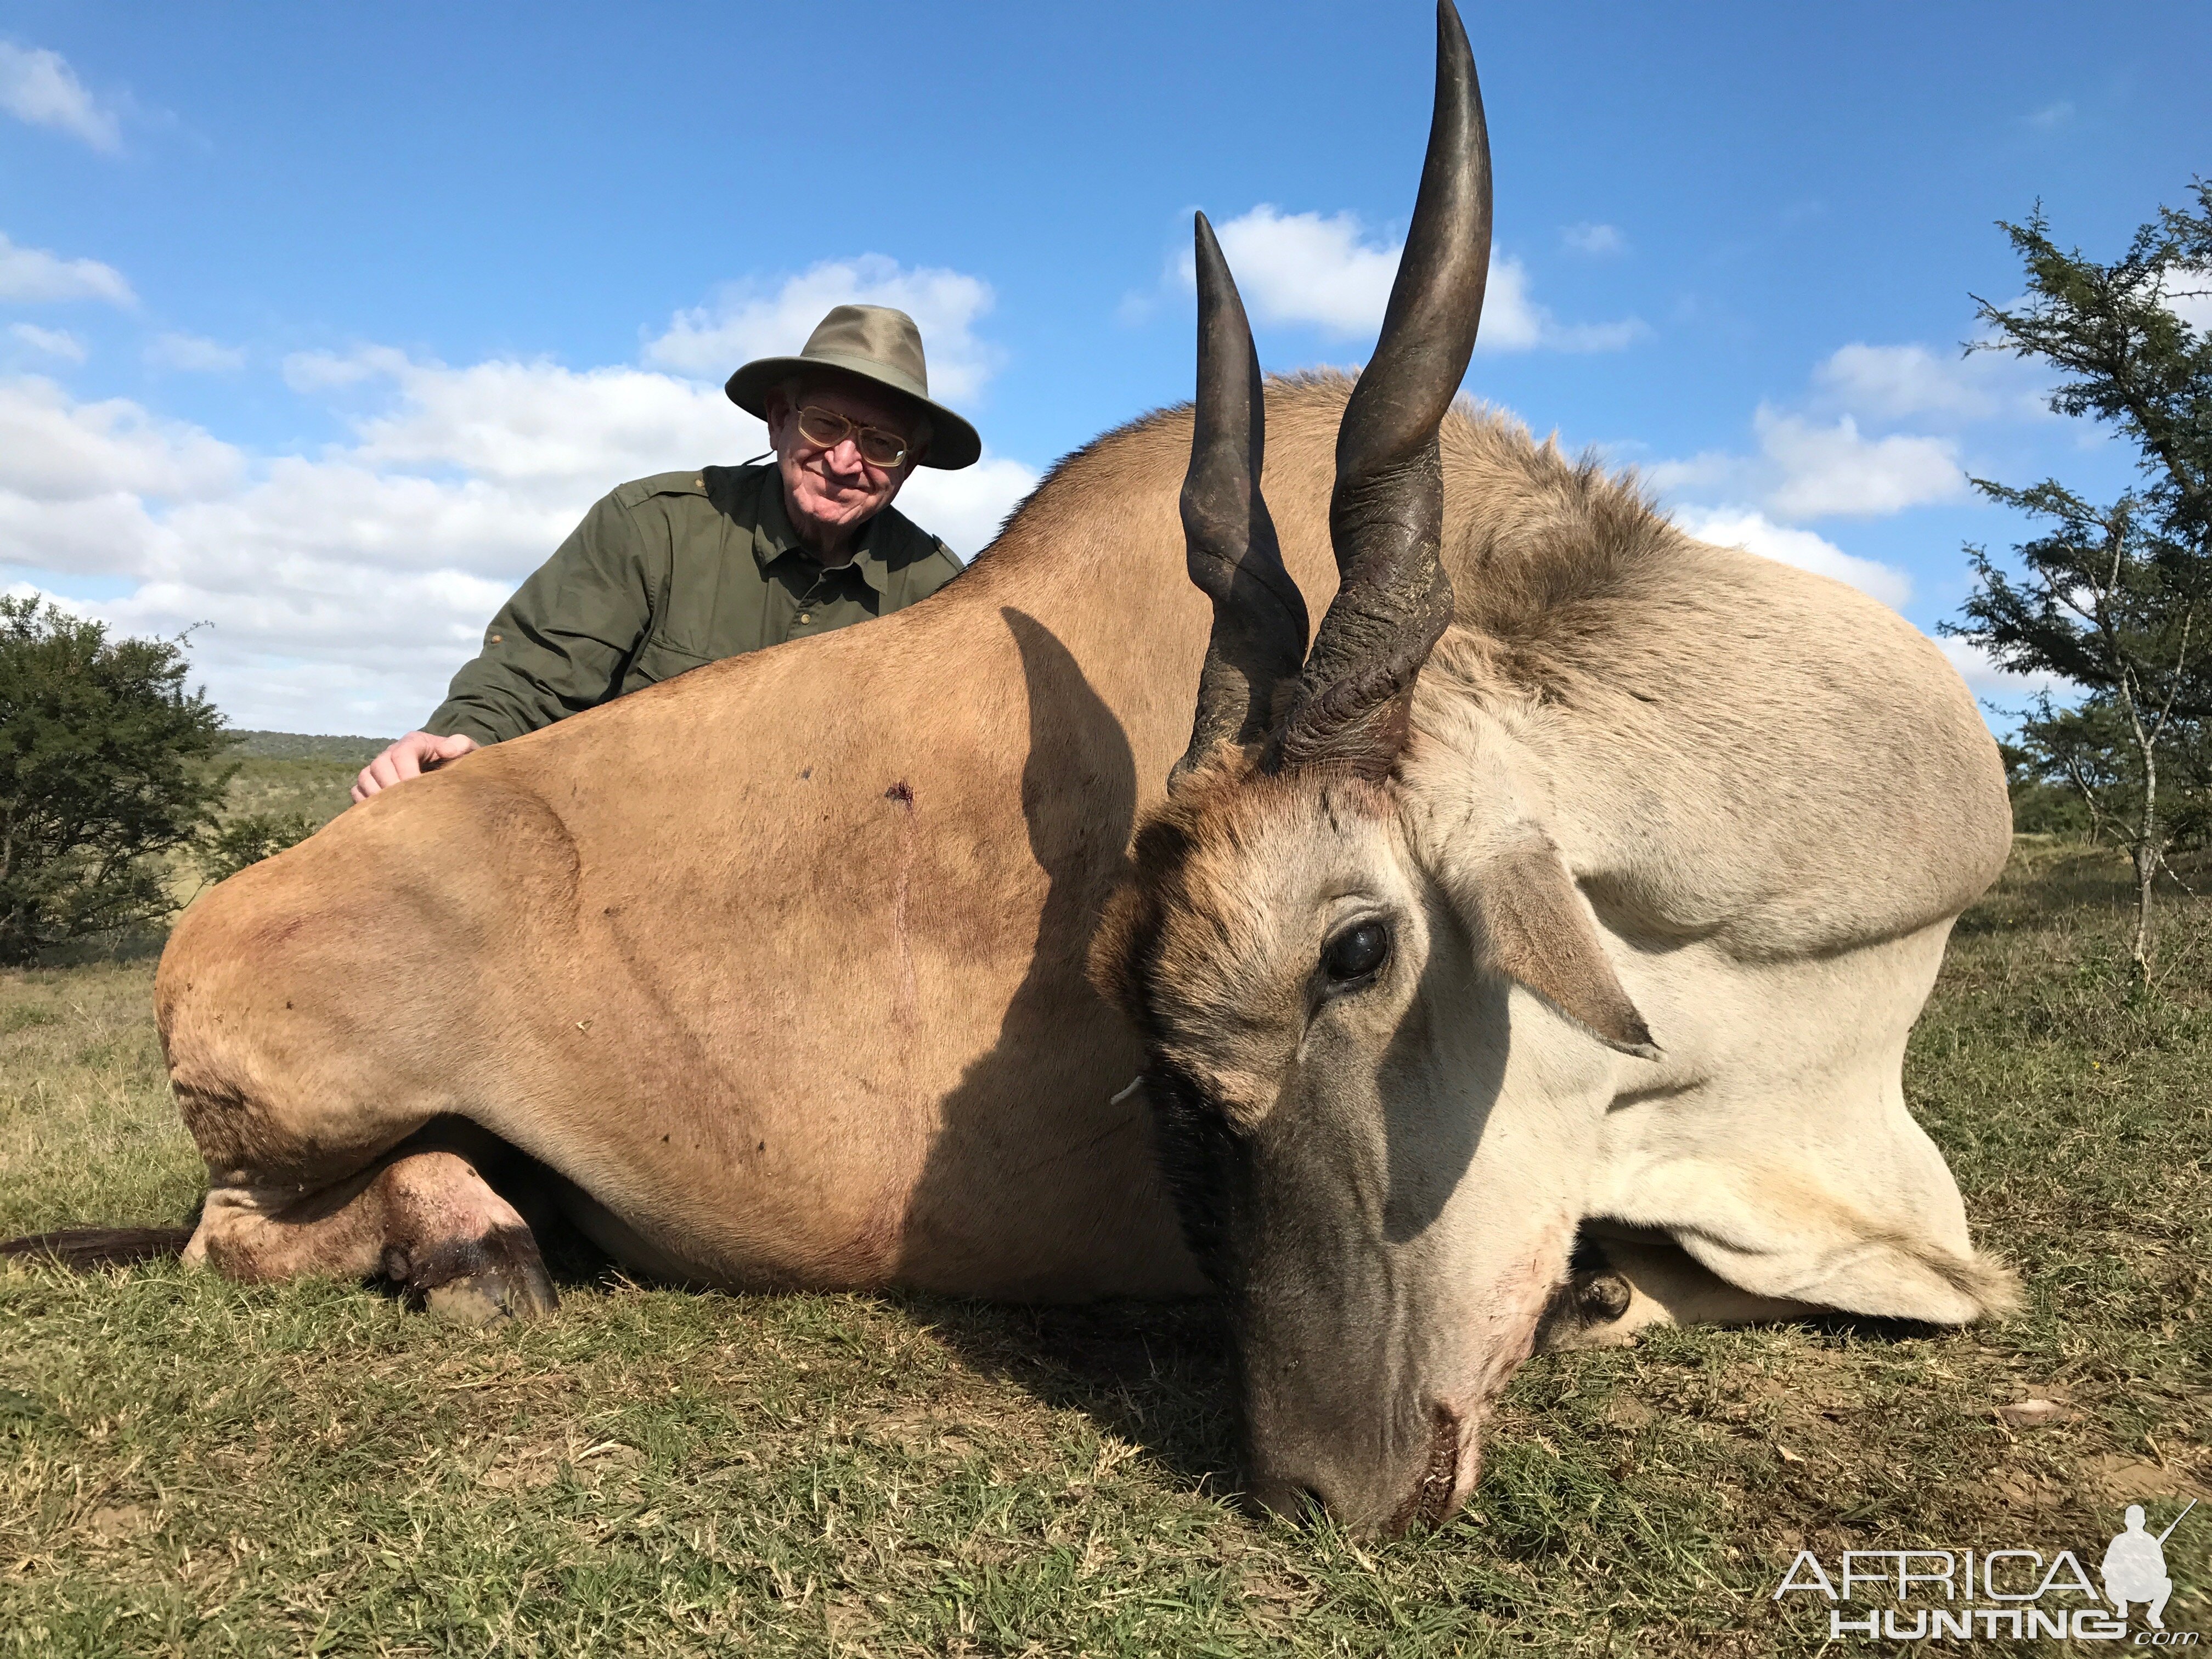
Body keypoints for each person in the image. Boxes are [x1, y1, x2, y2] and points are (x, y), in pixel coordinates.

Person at [352, 304, 980, 800]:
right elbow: (532, 680)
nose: (845, 461)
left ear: (911, 464)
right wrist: (465, 740)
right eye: (826, 425)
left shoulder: (944, 598)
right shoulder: (652, 527)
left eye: (882, 444)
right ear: (778, 418)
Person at [2101, 1504, 2174, 1629]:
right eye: (2133, 1520)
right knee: (2109, 1582)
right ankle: (2122, 1606)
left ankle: (2154, 1615)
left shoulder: (2150, 1541)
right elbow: (2106, 1570)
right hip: (2123, 1588)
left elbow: (2162, 1570)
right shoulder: (2119, 1541)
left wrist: (2146, 1569)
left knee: (2166, 1583)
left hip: (2146, 1589)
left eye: (2137, 1521)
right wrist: (2124, 1568)